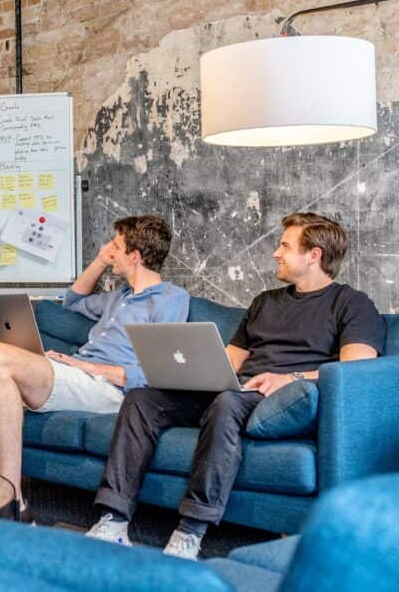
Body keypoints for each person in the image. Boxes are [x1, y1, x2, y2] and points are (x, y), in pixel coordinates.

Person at [86, 212, 385, 559]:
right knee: (141, 399)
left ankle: (190, 531)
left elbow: (356, 369)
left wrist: (290, 378)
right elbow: (229, 362)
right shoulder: (265, 301)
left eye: (285, 245)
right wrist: (188, 373)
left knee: (227, 402)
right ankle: (114, 520)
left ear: (314, 255)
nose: (276, 252)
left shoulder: (352, 304)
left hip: (283, 398)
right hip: (237, 390)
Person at [0, 215, 189, 517]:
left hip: (108, 390)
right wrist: (98, 261)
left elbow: (157, 372)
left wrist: (88, 367)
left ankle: (12, 497)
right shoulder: (118, 298)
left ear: (135, 256)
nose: (109, 250)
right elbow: (72, 301)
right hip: (76, 375)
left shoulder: (170, 300)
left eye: (116, 246)